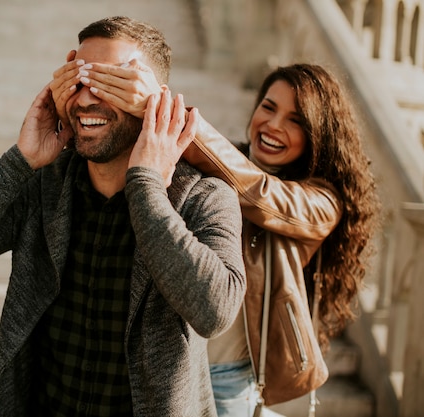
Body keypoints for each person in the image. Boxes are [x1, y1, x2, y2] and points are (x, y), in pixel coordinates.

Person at [0, 16, 246, 417]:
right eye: (79, 79)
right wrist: (19, 162)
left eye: (113, 83)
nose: (87, 97)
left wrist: (146, 187)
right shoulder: (44, 185)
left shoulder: (203, 196)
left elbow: (215, 313)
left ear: (152, 98)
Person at [58, 62, 381, 416]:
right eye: (268, 107)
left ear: (320, 134)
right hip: (166, 364)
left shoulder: (321, 203)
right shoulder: (218, 165)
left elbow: (259, 193)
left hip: (226, 380)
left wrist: (160, 106)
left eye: (296, 120)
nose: (273, 125)